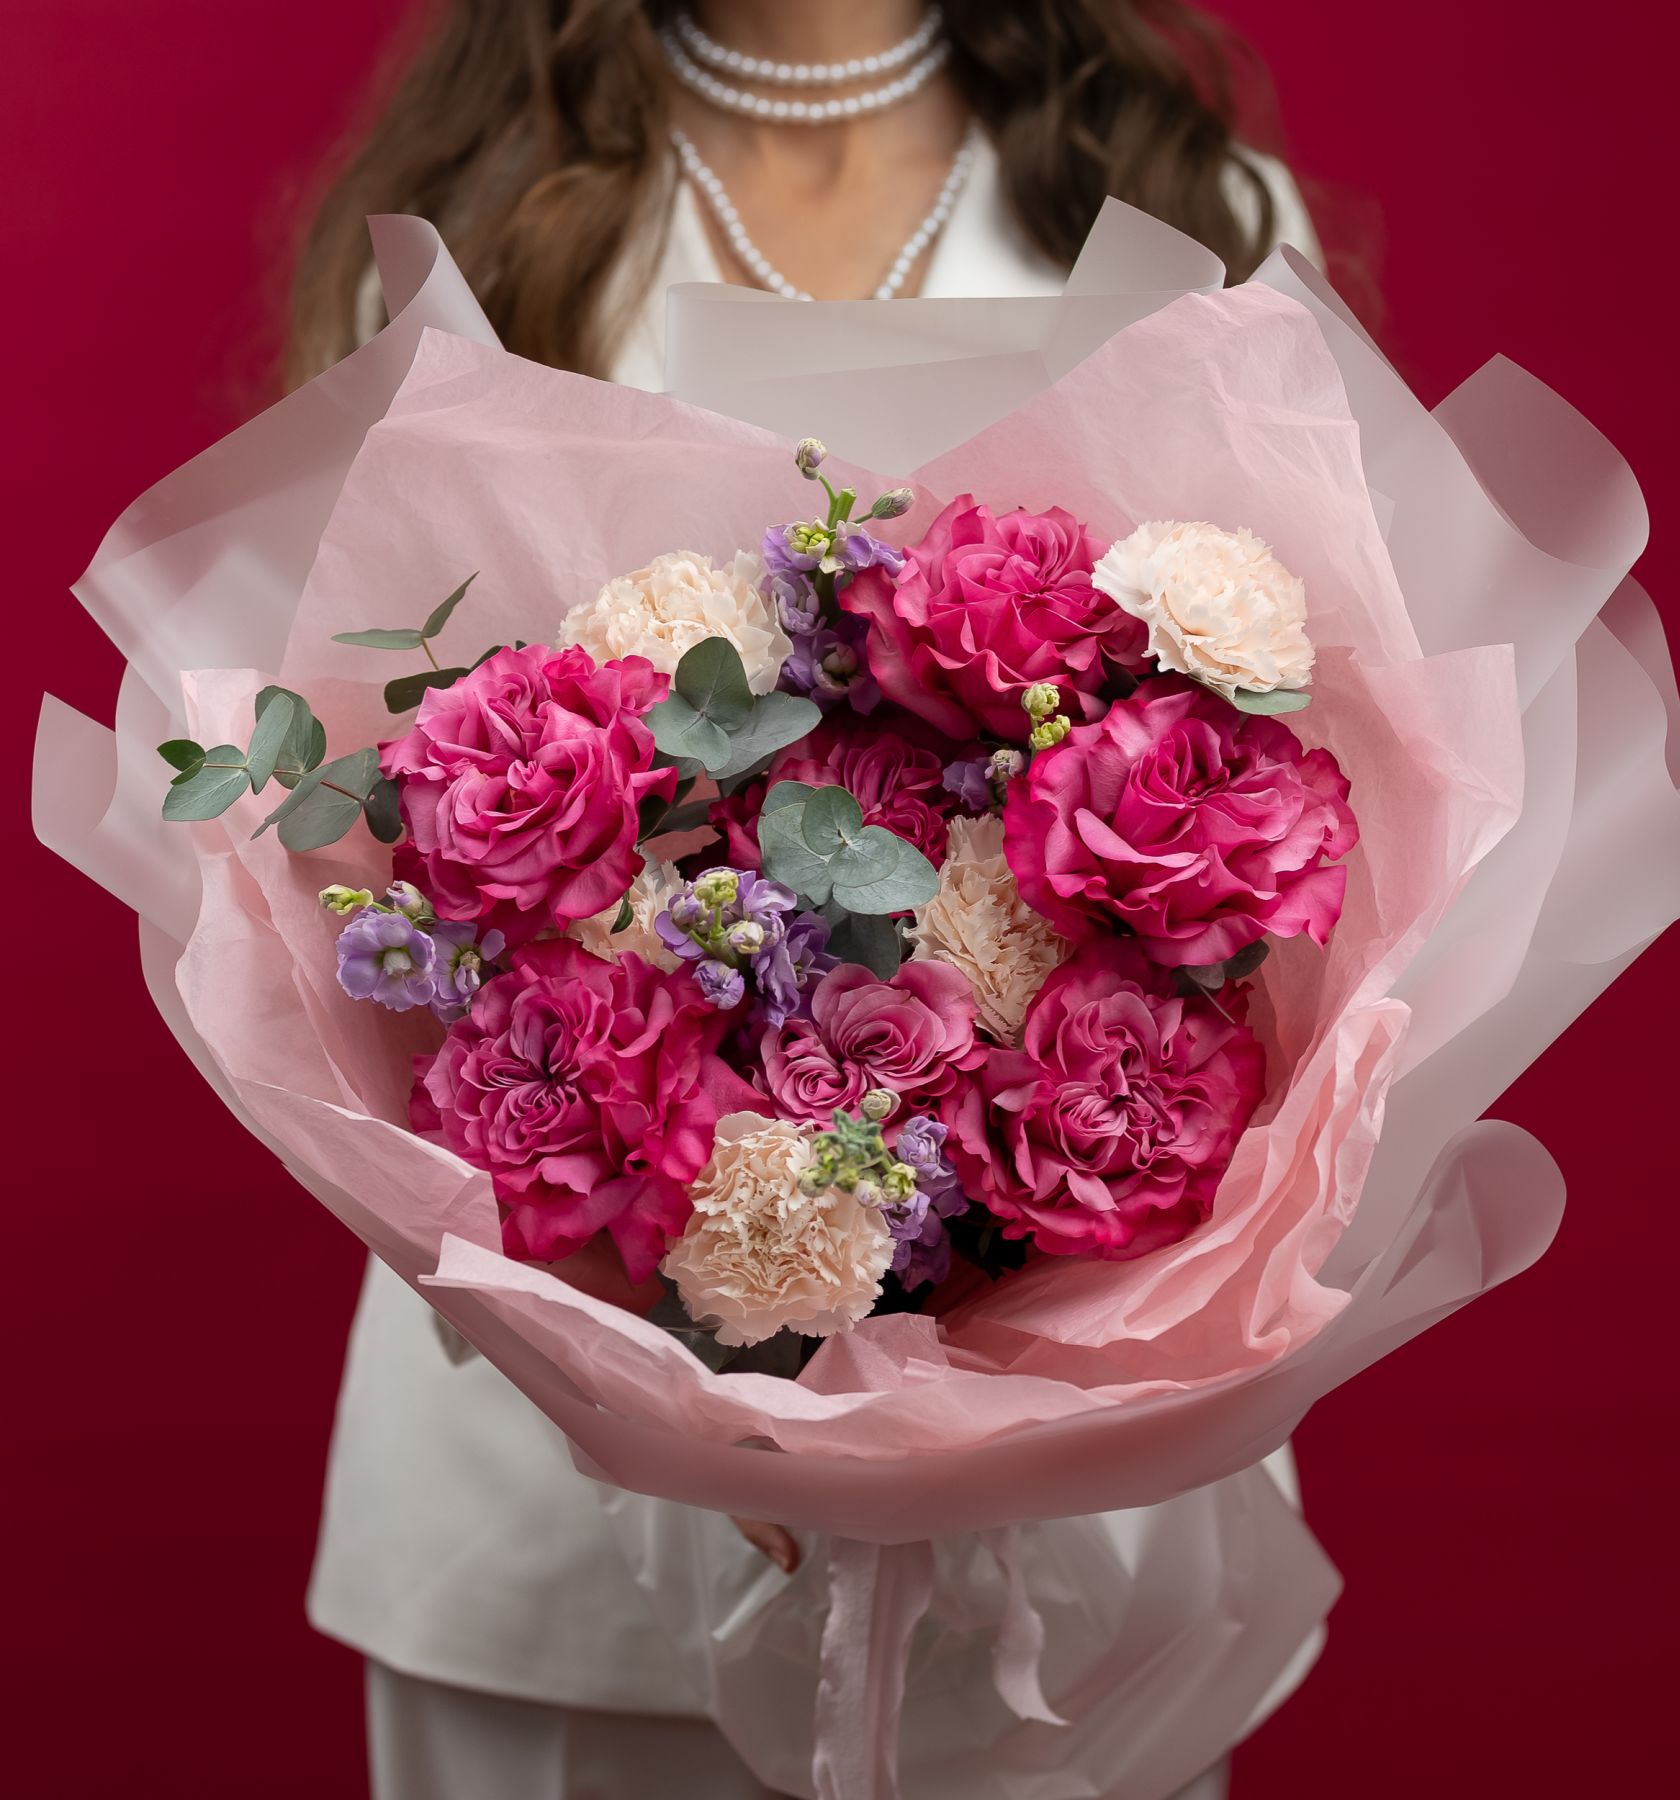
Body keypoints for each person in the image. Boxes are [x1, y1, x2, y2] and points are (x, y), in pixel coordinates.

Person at [288, 5, 1325, 1795]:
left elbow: (1308, 803)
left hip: (1067, 1453)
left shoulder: (1194, 209)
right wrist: (673, 1351)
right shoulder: (478, 212)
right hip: (558, 1452)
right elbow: (358, 823)